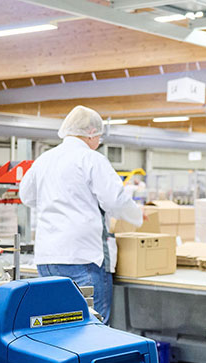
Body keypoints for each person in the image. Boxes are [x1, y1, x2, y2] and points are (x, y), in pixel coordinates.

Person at [20, 105, 143, 323]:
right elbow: (115, 200)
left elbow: (27, 197)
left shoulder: (44, 160)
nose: (99, 142)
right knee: (91, 326)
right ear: (91, 134)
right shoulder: (91, 159)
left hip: (47, 257)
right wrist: (138, 216)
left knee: (55, 324)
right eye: (99, 137)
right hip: (83, 256)